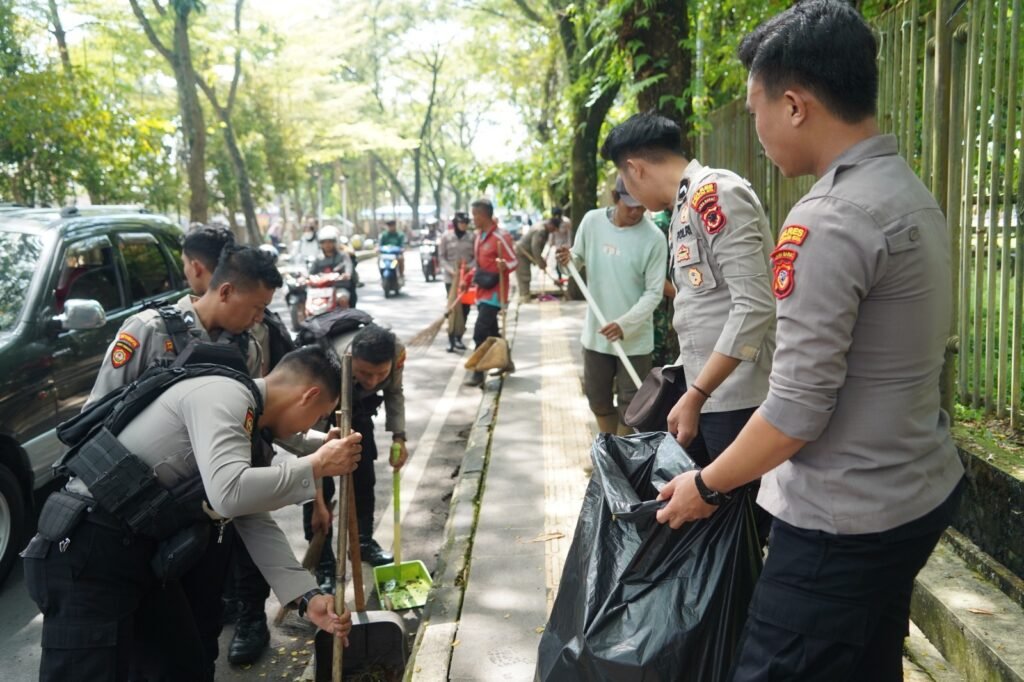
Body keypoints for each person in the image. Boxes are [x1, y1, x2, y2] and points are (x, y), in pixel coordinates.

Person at [653, 3, 965, 680]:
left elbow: (794, 411)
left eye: (755, 107)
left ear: (793, 104)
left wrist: (704, 485)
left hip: (840, 521)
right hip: (914, 492)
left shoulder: (828, 219)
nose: (756, 129)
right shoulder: (908, 192)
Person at [22, 346, 362, 682]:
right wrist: (315, 465)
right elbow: (229, 494)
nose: (312, 428)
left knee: (184, 668)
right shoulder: (225, 395)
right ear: (308, 395)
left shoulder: (249, 425)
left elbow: (250, 516)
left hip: (138, 556)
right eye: (318, 416)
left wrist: (306, 596)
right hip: (88, 553)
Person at [603, 111, 777, 475]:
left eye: (622, 176)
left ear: (635, 169)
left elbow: (753, 305)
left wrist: (697, 393)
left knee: (743, 519)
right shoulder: (683, 207)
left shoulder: (716, 194)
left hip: (739, 398)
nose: (627, 187)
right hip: (710, 395)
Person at [86, 243, 280, 406]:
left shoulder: (248, 349)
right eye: (257, 307)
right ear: (226, 292)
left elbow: (249, 416)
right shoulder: (149, 330)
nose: (260, 318)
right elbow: (98, 410)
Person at [555, 178, 667, 435]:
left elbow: (653, 293)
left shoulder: (654, 239)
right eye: (630, 206)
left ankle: (619, 463)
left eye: (641, 206)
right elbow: (575, 261)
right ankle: (609, 448)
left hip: (635, 340)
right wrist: (566, 260)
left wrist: (624, 324)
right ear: (616, 197)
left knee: (633, 408)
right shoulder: (592, 222)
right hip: (597, 337)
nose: (636, 212)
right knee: (598, 400)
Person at [305, 323, 408, 576]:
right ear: (353, 362)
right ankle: (324, 562)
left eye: (380, 374)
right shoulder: (329, 364)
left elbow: (395, 392)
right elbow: (309, 447)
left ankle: (361, 543)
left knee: (364, 480)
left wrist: (399, 437)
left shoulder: (397, 353)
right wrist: (318, 500)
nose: (373, 381)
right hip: (322, 415)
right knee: (320, 488)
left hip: (359, 410)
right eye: (365, 373)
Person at [466, 198, 518, 387]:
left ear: (484, 215)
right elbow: (478, 265)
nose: (473, 219)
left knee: (480, 331)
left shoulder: (500, 236)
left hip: (495, 292)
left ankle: (479, 372)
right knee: (492, 331)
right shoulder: (479, 237)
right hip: (482, 290)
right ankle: (507, 362)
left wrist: (505, 265)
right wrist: (467, 280)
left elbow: (514, 261)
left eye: (475, 215)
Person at [438, 211, 476, 351]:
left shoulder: (472, 237)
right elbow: (441, 257)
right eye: (461, 223)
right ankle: (451, 338)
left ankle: (459, 337)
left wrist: (469, 268)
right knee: (453, 307)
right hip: (451, 279)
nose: (464, 225)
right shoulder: (446, 237)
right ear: (455, 223)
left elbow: (476, 258)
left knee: (465, 309)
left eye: (466, 223)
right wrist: (451, 270)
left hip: (467, 279)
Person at [514, 217, 560, 303]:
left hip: (525, 254)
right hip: (522, 254)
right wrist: (540, 262)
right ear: (551, 224)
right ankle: (524, 298)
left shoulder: (543, 228)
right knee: (524, 276)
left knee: (525, 276)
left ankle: (525, 296)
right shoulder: (540, 230)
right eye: (553, 229)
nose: (553, 231)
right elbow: (535, 247)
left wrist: (541, 261)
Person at [311, 225, 356, 308]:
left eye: (330, 241)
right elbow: (311, 273)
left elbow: (348, 267)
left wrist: (346, 275)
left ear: (335, 242)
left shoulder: (343, 256)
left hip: (339, 287)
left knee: (342, 299)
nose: (327, 244)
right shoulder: (318, 259)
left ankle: (344, 319)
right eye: (324, 242)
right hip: (321, 290)